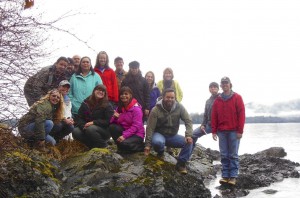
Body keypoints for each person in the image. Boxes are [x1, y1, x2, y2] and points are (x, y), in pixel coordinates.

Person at [144, 88, 193, 174]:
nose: (170, 99)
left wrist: (188, 135)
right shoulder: (156, 109)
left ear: (175, 98)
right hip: (159, 134)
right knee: (158, 142)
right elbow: (150, 128)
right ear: (163, 97)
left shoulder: (179, 107)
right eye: (167, 97)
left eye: (172, 97)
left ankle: (181, 164)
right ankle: (161, 151)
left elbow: (188, 121)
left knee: (189, 142)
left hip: (172, 136)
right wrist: (147, 145)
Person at [211, 76, 245, 186]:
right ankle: (225, 176)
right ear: (221, 86)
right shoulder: (218, 100)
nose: (225, 85)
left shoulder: (237, 97)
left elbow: (242, 115)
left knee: (233, 155)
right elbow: (214, 116)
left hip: (234, 131)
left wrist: (240, 131)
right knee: (224, 154)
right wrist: (214, 131)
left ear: (230, 84)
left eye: (227, 83)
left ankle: (233, 176)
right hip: (221, 131)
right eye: (223, 83)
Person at [72, 85, 114, 149]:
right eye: (98, 90)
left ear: (105, 94)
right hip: (87, 128)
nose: (100, 92)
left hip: (104, 130)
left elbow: (108, 121)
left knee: (91, 128)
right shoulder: (85, 102)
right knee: (76, 131)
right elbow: (79, 117)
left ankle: (104, 146)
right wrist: (83, 126)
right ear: (94, 91)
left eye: (103, 91)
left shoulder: (107, 105)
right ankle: (90, 146)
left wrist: (94, 122)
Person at [108, 86, 145, 153]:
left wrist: (124, 136)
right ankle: (121, 148)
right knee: (112, 127)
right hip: (125, 131)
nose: (123, 96)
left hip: (137, 134)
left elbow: (136, 126)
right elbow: (111, 122)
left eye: (126, 94)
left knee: (124, 143)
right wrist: (115, 118)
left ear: (130, 95)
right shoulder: (120, 107)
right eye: (122, 94)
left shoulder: (137, 109)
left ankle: (140, 147)